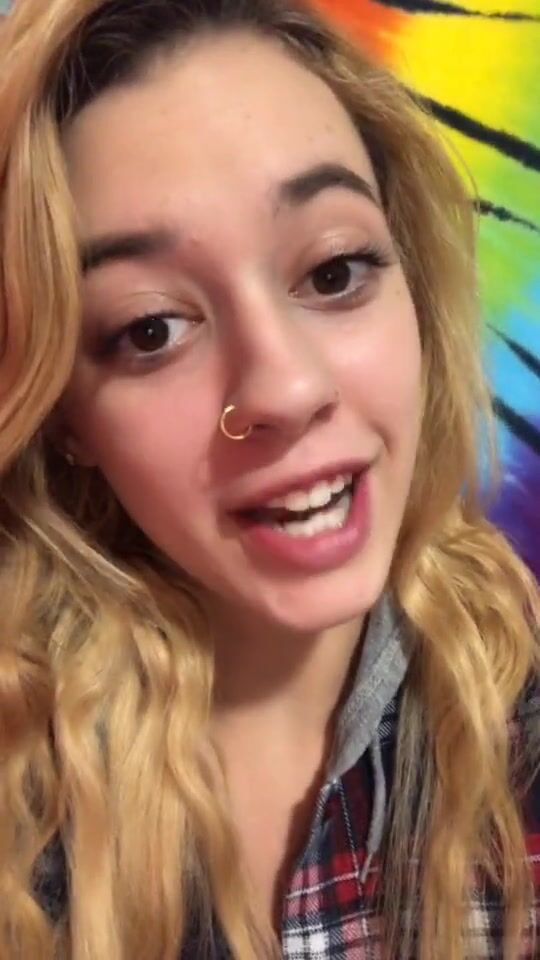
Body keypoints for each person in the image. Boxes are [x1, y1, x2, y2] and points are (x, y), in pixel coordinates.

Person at [0, 0, 538, 957]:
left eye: (334, 272)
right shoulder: (23, 793)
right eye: (151, 329)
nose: (285, 389)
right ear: (66, 414)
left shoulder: (518, 724)